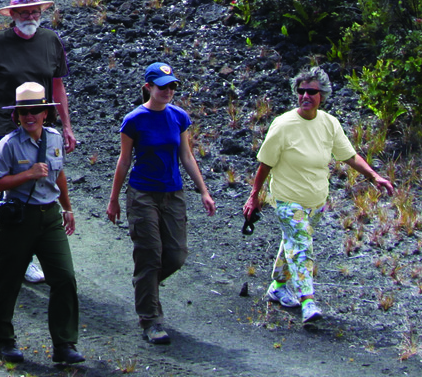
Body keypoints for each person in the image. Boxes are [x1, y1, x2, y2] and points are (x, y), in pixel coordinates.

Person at [242, 66, 395, 326]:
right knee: (301, 247)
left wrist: (374, 176)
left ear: (321, 94)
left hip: (316, 202)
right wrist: (254, 196)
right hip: (287, 199)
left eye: (311, 92)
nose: (305, 96)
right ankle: (307, 302)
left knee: (293, 242)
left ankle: (278, 286)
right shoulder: (283, 125)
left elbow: (349, 156)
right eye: (301, 91)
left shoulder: (329, 123)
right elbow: (264, 164)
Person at [104, 62, 217, 345]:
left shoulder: (179, 117)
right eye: (162, 86)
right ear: (148, 88)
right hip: (142, 194)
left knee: (176, 255)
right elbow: (124, 160)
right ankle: (151, 320)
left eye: (171, 86)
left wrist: (203, 191)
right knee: (150, 253)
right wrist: (114, 199)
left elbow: (187, 157)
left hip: (173, 193)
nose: (167, 91)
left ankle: (145, 284)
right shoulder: (134, 120)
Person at [0, 0, 74, 284]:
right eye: (24, 12)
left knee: (40, 189)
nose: (30, 16)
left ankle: (24, 256)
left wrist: (66, 125)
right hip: (7, 128)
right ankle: (0, 255)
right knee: (11, 192)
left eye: (35, 11)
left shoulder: (50, 40)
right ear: (13, 15)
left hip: (42, 126)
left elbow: (57, 87)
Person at [0, 81, 83, 368]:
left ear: (46, 114)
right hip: (18, 217)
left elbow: (59, 174)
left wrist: (68, 208)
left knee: (64, 277)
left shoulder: (53, 139)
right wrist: (27, 174)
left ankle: (64, 344)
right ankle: (4, 342)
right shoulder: (8, 144)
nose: (30, 116)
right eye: (24, 111)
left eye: (36, 111)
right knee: (7, 281)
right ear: (16, 115)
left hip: (49, 216)